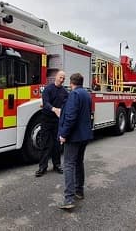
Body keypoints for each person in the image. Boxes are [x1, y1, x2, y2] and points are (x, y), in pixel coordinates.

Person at [57, 73, 92, 210]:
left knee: (69, 165)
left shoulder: (74, 95)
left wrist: (63, 134)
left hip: (74, 136)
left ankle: (69, 199)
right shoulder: (86, 94)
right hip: (84, 135)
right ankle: (79, 191)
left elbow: (71, 116)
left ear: (71, 83)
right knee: (78, 162)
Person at [35, 71, 68, 177]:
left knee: (57, 144)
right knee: (45, 143)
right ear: (56, 77)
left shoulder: (64, 92)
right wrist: (54, 109)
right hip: (46, 120)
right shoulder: (48, 89)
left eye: (63, 78)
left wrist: (62, 111)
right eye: (60, 77)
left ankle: (57, 165)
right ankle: (42, 167)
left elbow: (67, 104)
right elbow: (45, 102)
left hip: (57, 121)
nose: (62, 79)